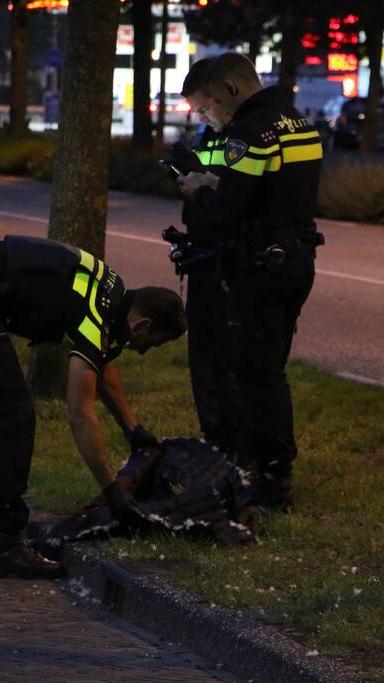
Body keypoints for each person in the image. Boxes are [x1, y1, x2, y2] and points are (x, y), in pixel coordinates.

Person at [0, 235, 186, 579]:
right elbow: (80, 412)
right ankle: (3, 543)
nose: (144, 351)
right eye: (152, 343)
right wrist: (112, 490)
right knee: (13, 416)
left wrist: (132, 429)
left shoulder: (110, 292)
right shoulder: (98, 317)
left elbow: (101, 367)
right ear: (142, 325)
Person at [178, 52, 324, 512]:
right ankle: (265, 472)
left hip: (259, 265)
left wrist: (198, 188)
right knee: (268, 369)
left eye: (213, 103)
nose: (214, 112)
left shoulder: (249, 133)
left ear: (232, 91)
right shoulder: (299, 124)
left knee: (256, 377)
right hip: (295, 257)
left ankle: (272, 481)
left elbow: (225, 212)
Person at [169, 57, 238, 453]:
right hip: (203, 253)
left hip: (229, 260)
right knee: (204, 358)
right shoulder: (210, 135)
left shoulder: (244, 135)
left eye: (202, 106)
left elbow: (237, 198)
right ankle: (214, 441)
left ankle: (234, 448)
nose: (201, 115)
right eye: (195, 109)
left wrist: (206, 184)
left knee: (229, 361)